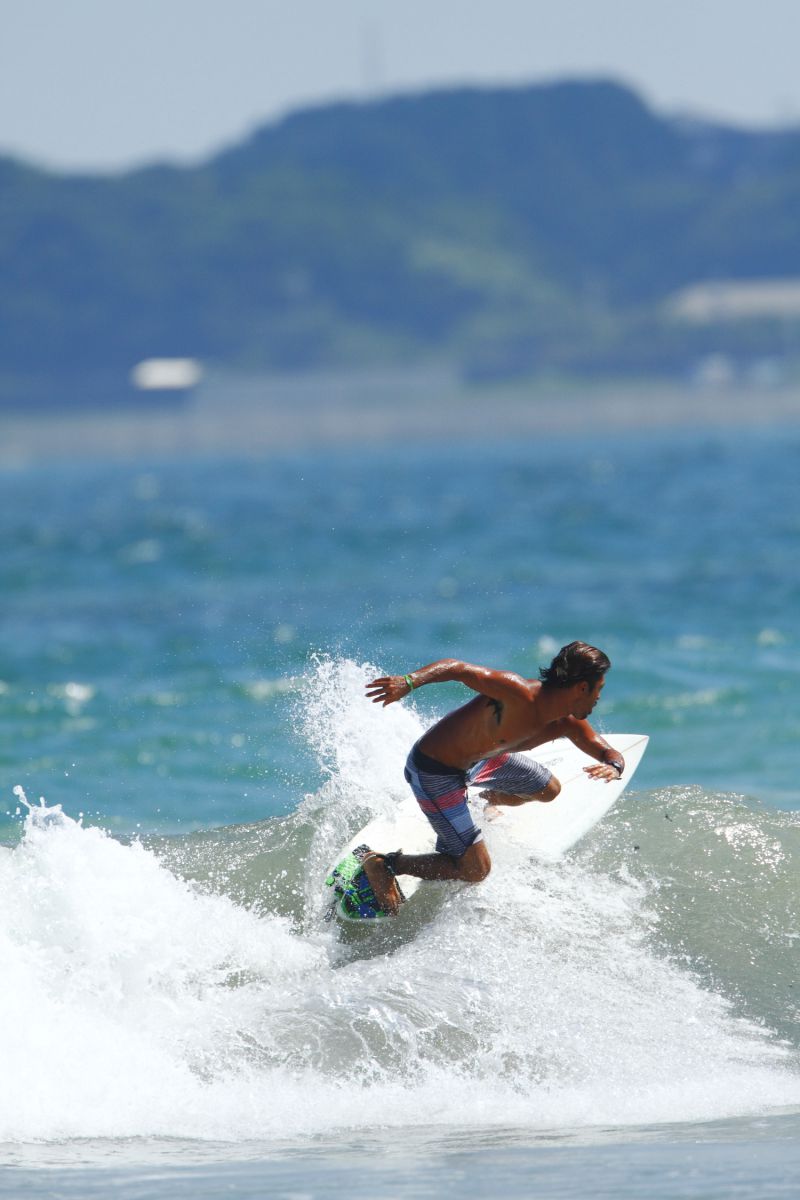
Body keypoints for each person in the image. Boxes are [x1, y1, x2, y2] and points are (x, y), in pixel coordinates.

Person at [361, 641, 625, 914]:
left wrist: (614, 767)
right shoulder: (517, 693)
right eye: (599, 690)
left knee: (548, 789)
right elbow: (458, 668)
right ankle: (385, 864)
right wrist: (409, 681)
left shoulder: (568, 722)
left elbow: (606, 750)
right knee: (476, 870)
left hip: (480, 761)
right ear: (583, 687)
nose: (598, 698)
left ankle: (486, 800)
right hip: (434, 771)